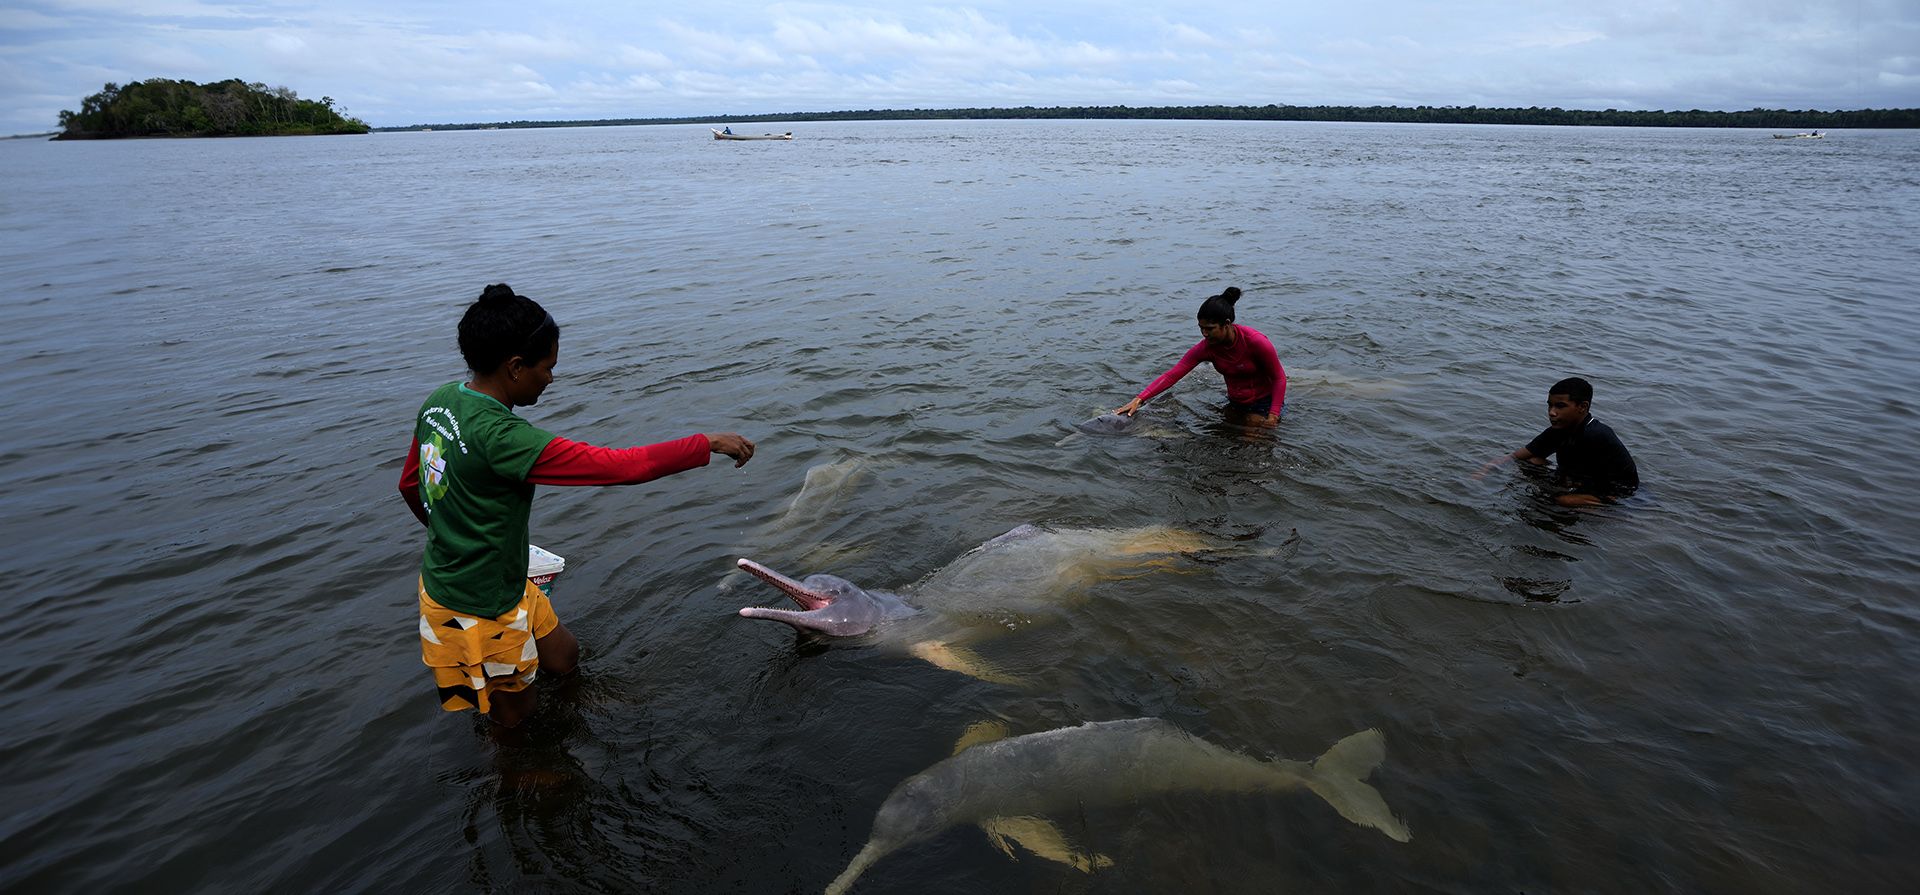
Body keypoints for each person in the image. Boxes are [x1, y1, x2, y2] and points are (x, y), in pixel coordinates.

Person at [397, 284, 756, 728]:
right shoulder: (505, 439)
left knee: (564, 658)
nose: (551, 378)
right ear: (514, 367)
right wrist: (707, 442)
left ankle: (571, 715)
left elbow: (411, 484)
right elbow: (622, 467)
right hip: (478, 606)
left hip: (490, 578)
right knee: (515, 725)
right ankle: (529, 779)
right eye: (548, 367)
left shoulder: (440, 401)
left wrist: (451, 535)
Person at [1114, 286, 1286, 427]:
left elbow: (1279, 378)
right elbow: (1173, 374)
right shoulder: (1206, 348)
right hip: (1235, 403)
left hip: (1264, 402)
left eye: (1210, 328)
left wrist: (1273, 414)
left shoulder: (1255, 342)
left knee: (1250, 440)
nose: (1204, 333)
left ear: (1226, 324)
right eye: (1201, 328)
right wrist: (1139, 399)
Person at [1480, 376, 1637, 506]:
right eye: (1550, 406)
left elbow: (1607, 482)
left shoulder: (1595, 435)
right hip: (1579, 481)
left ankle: (1608, 512)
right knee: (1532, 461)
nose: (1552, 413)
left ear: (1582, 407)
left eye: (1560, 406)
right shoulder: (1559, 430)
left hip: (1620, 493)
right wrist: (1487, 469)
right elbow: (1517, 456)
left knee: (1563, 500)